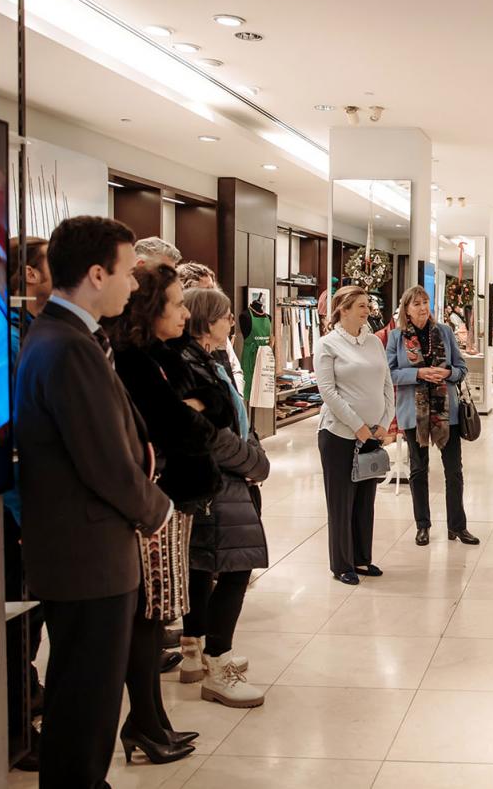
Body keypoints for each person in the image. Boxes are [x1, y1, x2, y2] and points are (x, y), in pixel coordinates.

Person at [14, 216, 172, 787]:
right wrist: (158, 510)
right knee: (86, 704)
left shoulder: (70, 338)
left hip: (86, 555)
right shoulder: (66, 347)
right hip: (88, 557)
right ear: (97, 273)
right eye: (128, 273)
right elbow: (105, 461)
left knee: (85, 701)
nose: (134, 287)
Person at [106, 263, 224, 765]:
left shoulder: (167, 354)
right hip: (155, 500)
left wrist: (194, 410)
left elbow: (216, 407)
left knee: (157, 613)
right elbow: (177, 425)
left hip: (176, 496)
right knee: (150, 612)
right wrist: (189, 412)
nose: (184, 311)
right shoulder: (133, 360)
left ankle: (151, 719)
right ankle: (145, 720)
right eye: (176, 302)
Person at [176, 287, 270, 708]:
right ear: (206, 320)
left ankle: (199, 650)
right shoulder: (190, 365)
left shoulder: (209, 361)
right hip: (220, 480)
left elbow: (235, 418)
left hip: (226, 479)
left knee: (210, 565)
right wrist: (252, 463)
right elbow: (211, 434)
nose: (233, 322)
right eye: (226, 315)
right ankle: (218, 660)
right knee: (234, 566)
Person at [3, 236, 52, 771]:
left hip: (31, 502)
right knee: (19, 621)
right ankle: (17, 729)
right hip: (16, 504)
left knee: (30, 617)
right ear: (31, 276)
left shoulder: (37, 332)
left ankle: (26, 708)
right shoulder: (12, 337)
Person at [387, 285, 480, 547]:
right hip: (413, 414)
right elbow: (390, 373)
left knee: (454, 471)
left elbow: (461, 368)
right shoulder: (396, 337)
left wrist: (447, 374)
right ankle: (422, 526)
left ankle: (457, 526)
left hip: (446, 413)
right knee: (418, 470)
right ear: (406, 309)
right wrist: (418, 374)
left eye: (425, 302)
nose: (422, 308)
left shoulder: (445, 332)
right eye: (416, 303)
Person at [315, 285, 395, 584]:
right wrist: (358, 427)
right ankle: (342, 564)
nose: (368, 310)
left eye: (368, 304)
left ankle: (362, 558)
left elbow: (386, 383)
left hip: (372, 434)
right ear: (343, 309)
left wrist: (384, 422)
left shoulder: (374, 342)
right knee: (341, 501)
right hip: (339, 434)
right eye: (361, 305)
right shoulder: (328, 344)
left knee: (365, 499)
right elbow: (328, 392)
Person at [176, 260, 245, 394]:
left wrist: (236, 396)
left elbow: (234, 368)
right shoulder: (179, 343)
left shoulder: (219, 333)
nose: (213, 295)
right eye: (206, 290)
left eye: (213, 289)